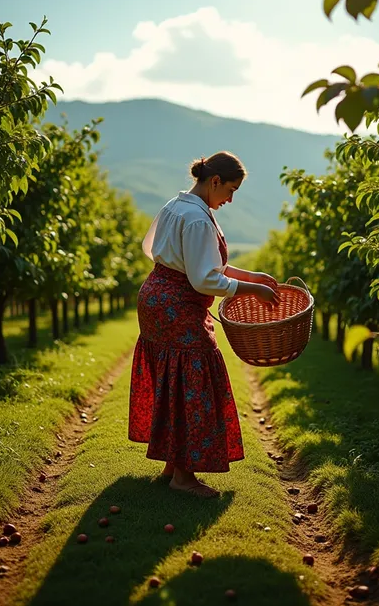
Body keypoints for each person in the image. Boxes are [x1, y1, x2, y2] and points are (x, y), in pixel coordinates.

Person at [128, 151, 280, 498]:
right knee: (192, 379)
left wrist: (251, 275)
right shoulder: (197, 219)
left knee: (175, 379)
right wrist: (250, 289)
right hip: (176, 305)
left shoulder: (177, 206)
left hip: (156, 297)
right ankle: (183, 477)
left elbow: (183, 259)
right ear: (214, 181)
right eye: (231, 189)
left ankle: (173, 464)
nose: (230, 198)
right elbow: (203, 280)